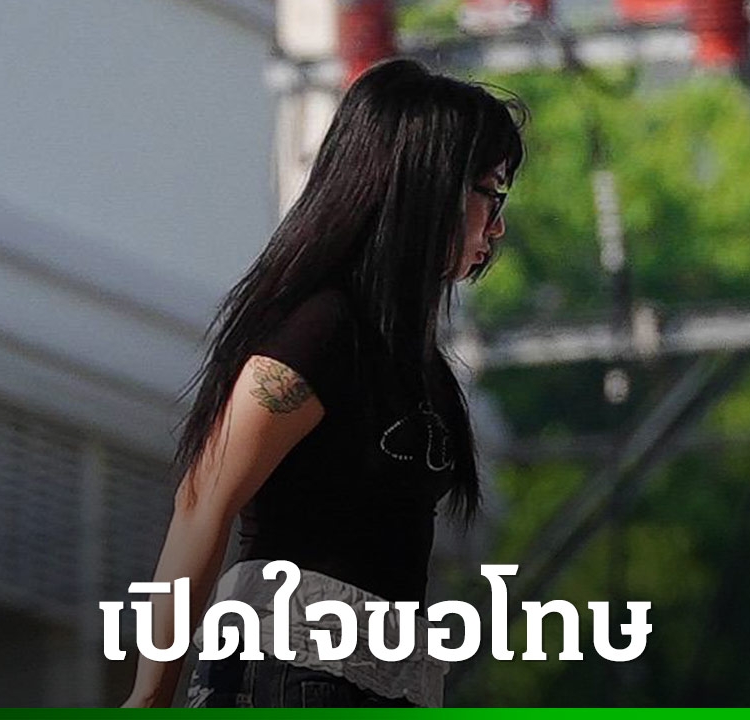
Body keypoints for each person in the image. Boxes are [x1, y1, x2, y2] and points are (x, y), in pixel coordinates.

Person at [120, 57, 526, 709]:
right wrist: (148, 697)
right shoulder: (322, 332)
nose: (497, 225)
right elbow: (204, 502)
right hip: (290, 673)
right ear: (428, 189)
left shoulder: (418, 363)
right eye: (490, 193)